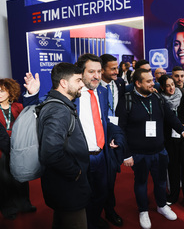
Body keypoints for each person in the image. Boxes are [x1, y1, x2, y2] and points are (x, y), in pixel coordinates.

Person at [23, 54, 126, 229]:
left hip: (101, 156)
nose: (97, 76)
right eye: (91, 71)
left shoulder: (102, 91)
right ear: (80, 72)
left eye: (99, 71)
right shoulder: (70, 94)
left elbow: (104, 120)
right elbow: (42, 111)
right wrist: (32, 95)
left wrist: (117, 134)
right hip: (77, 159)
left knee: (100, 194)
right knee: (78, 200)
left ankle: (92, 221)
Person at [121, 68, 184, 229]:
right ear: (138, 83)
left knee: (161, 182)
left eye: (152, 80)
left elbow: (170, 117)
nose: (153, 83)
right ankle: (143, 211)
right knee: (141, 183)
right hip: (139, 154)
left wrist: (183, 130)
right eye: (149, 81)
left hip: (160, 151)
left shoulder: (157, 97)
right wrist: (126, 155)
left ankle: (161, 205)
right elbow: (121, 128)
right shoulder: (127, 100)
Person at [38, 63, 90, 229]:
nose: (82, 84)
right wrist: (75, 171)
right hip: (68, 187)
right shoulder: (58, 110)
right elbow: (51, 153)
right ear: (63, 83)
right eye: (78, 80)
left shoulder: (57, 104)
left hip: (63, 187)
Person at [0, 78, 36, 220]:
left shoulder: (19, 107)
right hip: (2, 151)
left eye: (2, 90)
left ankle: (25, 204)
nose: (0, 93)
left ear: (10, 91)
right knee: (4, 180)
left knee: (21, 178)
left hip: (20, 148)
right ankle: (8, 208)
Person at [158, 75, 184, 209]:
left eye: (172, 84)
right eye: (167, 85)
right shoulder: (159, 100)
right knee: (172, 168)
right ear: (162, 87)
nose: (171, 87)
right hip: (169, 139)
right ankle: (173, 195)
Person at [99, 53, 125, 227]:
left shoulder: (120, 84)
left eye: (117, 67)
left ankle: (109, 210)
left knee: (111, 178)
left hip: (115, 136)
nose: (118, 71)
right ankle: (95, 212)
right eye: (113, 68)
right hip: (98, 139)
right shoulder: (92, 88)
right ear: (102, 70)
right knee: (98, 179)